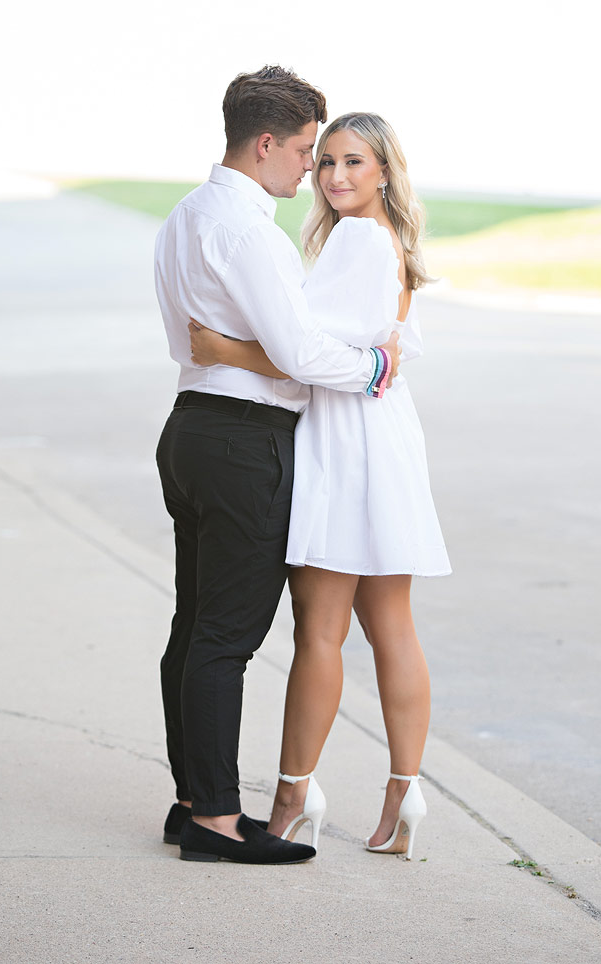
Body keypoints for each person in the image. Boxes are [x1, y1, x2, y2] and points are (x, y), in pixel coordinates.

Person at [188, 112, 451, 861]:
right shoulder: (388, 241)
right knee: (390, 624)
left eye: (352, 163)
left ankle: (291, 795)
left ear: (384, 172)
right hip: (385, 431)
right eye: (325, 160)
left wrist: (222, 349)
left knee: (320, 628)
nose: (334, 176)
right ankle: (404, 791)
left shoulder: (359, 240)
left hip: (347, 438)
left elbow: (297, 348)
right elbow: (364, 347)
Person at [154, 70, 401, 865]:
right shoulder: (250, 229)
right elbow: (297, 357)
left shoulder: (184, 216)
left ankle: (192, 800)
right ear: (265, 144)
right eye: (302, 152)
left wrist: (235, 352)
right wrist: (369, 368)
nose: (310, 172)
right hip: (244, 443)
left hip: (190, 428)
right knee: (226, 638)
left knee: (193, 628)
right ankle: (217, 822)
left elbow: (191, 340)